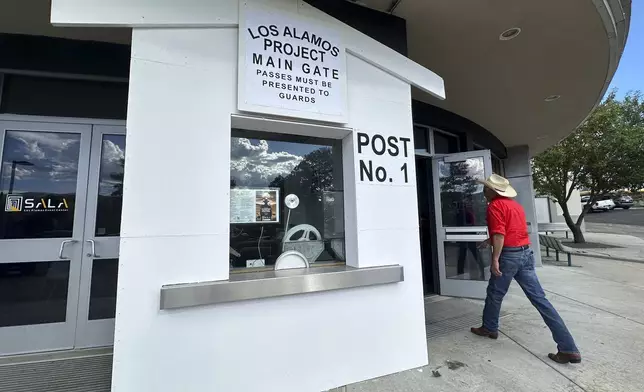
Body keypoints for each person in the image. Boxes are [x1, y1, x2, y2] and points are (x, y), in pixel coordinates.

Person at [470, 174, 581, 364]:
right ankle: (568, 348)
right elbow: (512, 231)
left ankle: (489, 327)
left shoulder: (495, 206)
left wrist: (495, 258)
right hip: (525, 254)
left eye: (485, 189)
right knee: (540, 300)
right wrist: (488, 241)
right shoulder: (516, 206)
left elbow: (499, 234)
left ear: (492, 191)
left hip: (509, 256)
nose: (483, 193)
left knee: (495, 294)